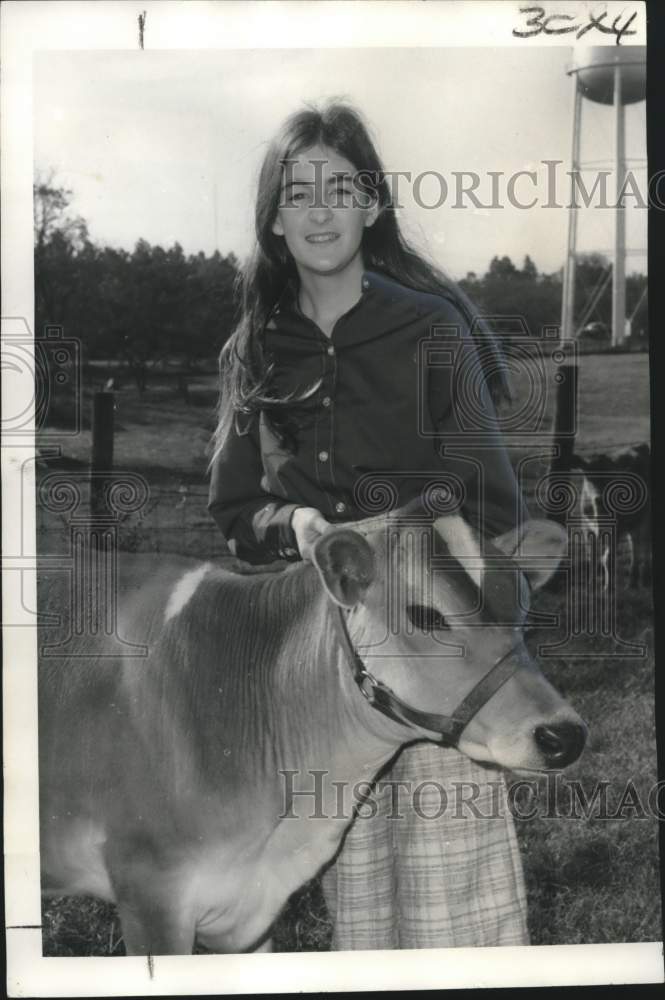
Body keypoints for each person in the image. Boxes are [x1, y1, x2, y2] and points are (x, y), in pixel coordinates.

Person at [208, 101, 530, 950]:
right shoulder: (254, 350)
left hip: (431, 643)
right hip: (319, 668)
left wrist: (398, 546)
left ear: (372, 204)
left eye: (339, 189)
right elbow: (236, 511)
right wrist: (300, 523)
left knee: (447, 913)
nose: (319, 211)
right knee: (366, 916)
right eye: (298, 192)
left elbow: (494, 508)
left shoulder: (432, 328)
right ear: (274, 218)